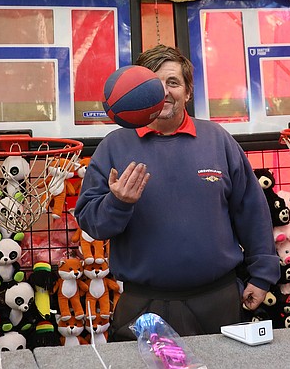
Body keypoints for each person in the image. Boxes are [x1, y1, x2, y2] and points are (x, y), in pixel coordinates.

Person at [73, 44, 279, 339]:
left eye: (173, 82)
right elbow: (92, 224)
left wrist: (261, 275)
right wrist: (117, 202)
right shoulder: (114, 147)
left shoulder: (217, 140)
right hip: (143, 304)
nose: (164, 92)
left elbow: (252, 212)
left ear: (188, 92)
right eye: (154, 84)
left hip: (219, 300)